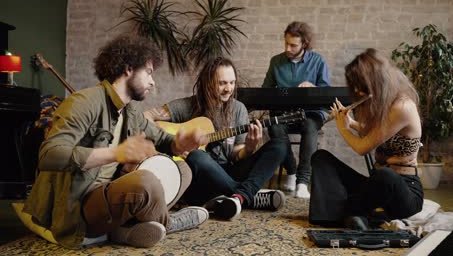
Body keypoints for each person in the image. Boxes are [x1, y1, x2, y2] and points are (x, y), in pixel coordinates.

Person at [22, 35, 210, 249]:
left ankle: (126, 229)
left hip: (113, 192)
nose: (152, 81)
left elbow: (162, 139)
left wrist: (180, 142)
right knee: (146, 182)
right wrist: (116, 154)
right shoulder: (84, 102)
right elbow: (48, 155)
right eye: (148, 72)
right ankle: (170, 222)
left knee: (183, 169)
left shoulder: (130, 110)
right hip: (80, 204)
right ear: (129, 68)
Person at [145, 57, 288, 220]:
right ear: (208, 83)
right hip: (200, 181)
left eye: (232, 83)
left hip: (228, 172)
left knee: (280, 145)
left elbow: (235, 155)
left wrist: (248, 147)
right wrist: (174, 143)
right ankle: (247, 196)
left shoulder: (238, 109)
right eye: (222, 83)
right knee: (197, 155)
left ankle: (235, 197)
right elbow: (146, 116)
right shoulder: (188, 106)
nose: (229, 89)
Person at [309, 48, 424, 230]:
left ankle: (349, 210)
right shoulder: (386, 102)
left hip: (403, 191)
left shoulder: (402, 106)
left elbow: (363, 147)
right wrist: (351, 123)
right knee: (320, 158)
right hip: (376, 185)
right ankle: (335, 216)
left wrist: (343, 128)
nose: (356, 91)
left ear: (377, 81)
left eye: (360, 85)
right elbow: (377, 132)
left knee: (385, 175)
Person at [262, 21, 330, 198]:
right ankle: (291, 172)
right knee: (275, 127)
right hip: (285, 114)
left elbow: (326, 93)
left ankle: (302, 182)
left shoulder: (318, 61)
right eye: (286, 43)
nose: (288, 48)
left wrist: (313, 88)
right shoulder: (276, 62)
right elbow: (265, 91)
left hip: (311, 114)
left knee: (309, 125)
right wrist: (274, 94)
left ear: (304, 44)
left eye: (293, 45)